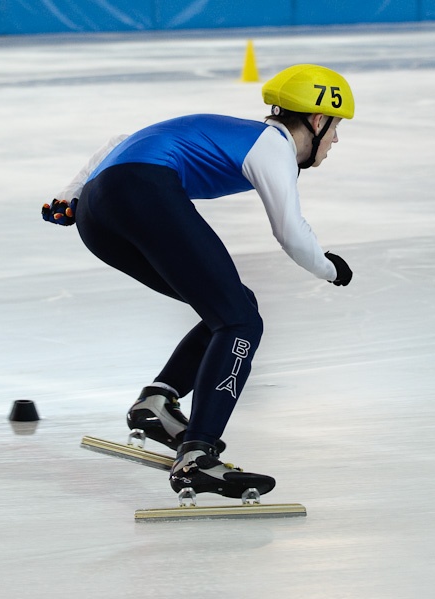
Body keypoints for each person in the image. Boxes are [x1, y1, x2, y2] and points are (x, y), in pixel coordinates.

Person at [43, 64, 354, 499]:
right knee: (241, 321)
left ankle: (158, 401)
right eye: (336, 129)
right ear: (317, 121)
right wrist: (330, 267)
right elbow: (289, 231)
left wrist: (71, 194)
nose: (336, 142)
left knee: (229, 306)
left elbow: (118, 142)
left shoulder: (238, 132)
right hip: (142, 192)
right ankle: (198, 457)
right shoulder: (273, 144)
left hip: (97, 212)